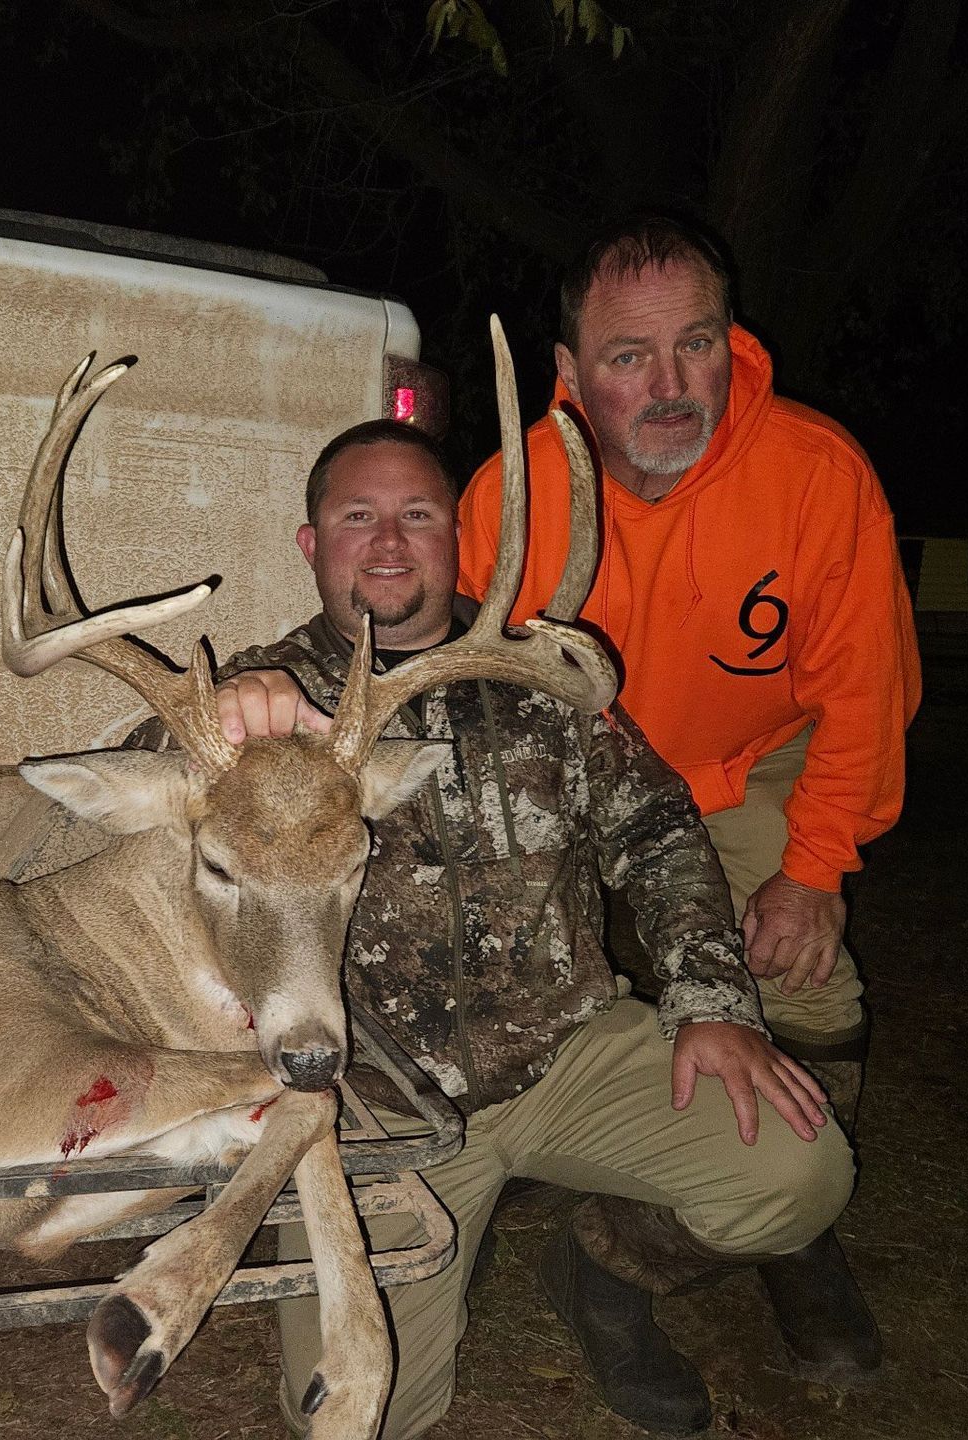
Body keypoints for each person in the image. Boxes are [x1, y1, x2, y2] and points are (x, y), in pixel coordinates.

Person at [197, 419, 877, 1438]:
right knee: (356, 1419)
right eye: (357, 517)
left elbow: (656, 827)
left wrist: (711, 1001)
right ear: (312, 544)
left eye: (417, 514)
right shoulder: (268, 698)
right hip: (381, 1103)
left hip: (568, 1051)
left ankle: (600, 1262)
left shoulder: (544, 676)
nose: (389, 541)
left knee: (796, 1170)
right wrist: (218, 716)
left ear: (456, 538)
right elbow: (141, 804)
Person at [457, 215, 922, 1139]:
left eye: (696, 345)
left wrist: (814, 872)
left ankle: (784, 1181)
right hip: (570, 775)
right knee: (496, 972)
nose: (670, 387)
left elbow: (867, 702)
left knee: (806, 975)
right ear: (570, 368)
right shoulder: (510, 494)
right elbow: (469, 702)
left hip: (742, 765)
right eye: (629, 357)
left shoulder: (819, 477)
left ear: (730, 341)